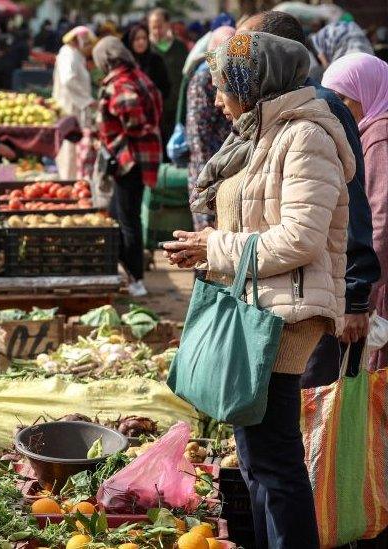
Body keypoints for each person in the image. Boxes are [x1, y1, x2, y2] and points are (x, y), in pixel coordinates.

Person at [166, 32, 353, 549]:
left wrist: (217, 247)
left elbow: (300, 237)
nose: (218, 101)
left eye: (224, 88)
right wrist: (206, 247)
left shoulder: (305, 137)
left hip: (285, 317)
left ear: (255, 85)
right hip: (262, 304)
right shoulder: (261, 134)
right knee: (257, 459)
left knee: (273, 461)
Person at [240, 10, 380, 388]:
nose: (237, 59)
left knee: (307, 415)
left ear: (273, 53)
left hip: (315, 298)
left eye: (244, 48)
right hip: (282, 295)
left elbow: (352, 206)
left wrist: (355, 297)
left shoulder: (320, 109)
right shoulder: (274, 110)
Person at [323, 53, 388, 369]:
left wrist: (364, 296)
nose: (335, 107)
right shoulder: (367, 132)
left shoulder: (379, 137)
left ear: (367, 94)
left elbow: (381, 220)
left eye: (343, 98)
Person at [92, 37, 163, 298]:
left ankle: (136, 280)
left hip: (129, 160)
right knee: (118, 214)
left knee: (127, 220)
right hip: (142, 158)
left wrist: (121, 137)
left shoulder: (120, 82)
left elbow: (131, 114)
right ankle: (124, 272)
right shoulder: (139, 76)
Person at [184, 26, 235, 230]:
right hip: (209, 170)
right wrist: (210, 178)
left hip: (231, 166)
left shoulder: (236, 75)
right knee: (207, 238)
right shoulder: (203, 79)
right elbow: (198, 135)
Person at [52, 26, 97, 179]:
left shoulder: (76, 54)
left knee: (76, 147)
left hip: (77, 107)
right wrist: (87, 100)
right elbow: (69, 80)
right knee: (69, 147)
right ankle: (68, 180)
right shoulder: (67, 54)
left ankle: (75, 179)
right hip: (69, 107)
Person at [148, 8, 189, 147]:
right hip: (153, 111)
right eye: (153, 27)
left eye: (159, 26)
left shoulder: (179, 47)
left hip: (177, 109)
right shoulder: (146, 49)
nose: (156, 31)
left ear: (167, 25)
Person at [122, 24, 171, 100]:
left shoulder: (155, 60)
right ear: (130, 41)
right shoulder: (125, 62)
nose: (141, 42)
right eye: (137, 39)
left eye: (144, 38)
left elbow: (165, 87)